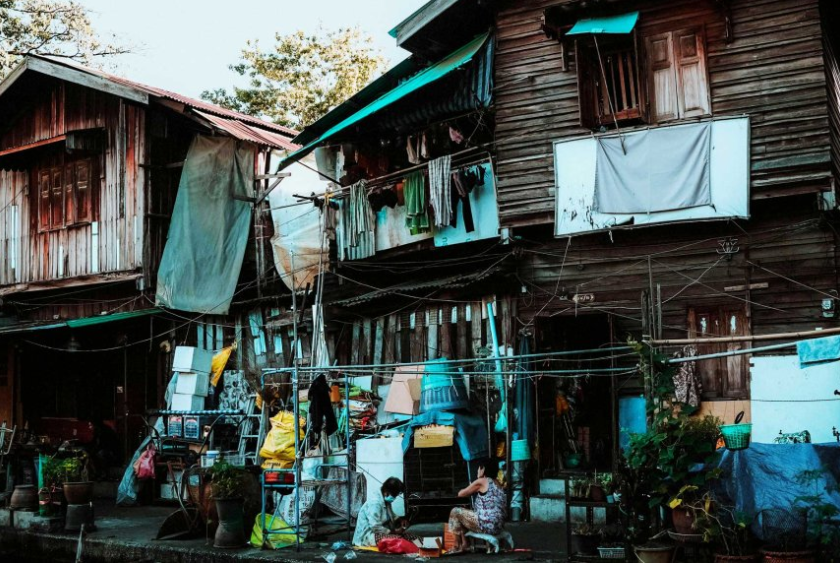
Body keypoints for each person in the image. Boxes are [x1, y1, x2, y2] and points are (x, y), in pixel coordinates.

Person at [448, 458, 506, 552]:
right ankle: (465, 544)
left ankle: (456, 546)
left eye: (479, 468)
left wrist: (478, 479)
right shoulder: (498, 483)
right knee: (463, 511)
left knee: (455, 511)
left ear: (483, 469)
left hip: (487, 524)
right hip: (498, 525)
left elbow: (461, 494)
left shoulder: (481, 481)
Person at [352, 477, 408, 547]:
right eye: (394, 495)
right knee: (400, 540)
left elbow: (391, 515)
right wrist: (393, 532)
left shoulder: (386, 501)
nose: (395, 498)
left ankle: (421, 545)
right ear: (386, 492)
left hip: (381, 532)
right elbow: (375, 526)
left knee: (409, 537)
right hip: (367, 536)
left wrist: (400, 520)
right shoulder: (375, 503)